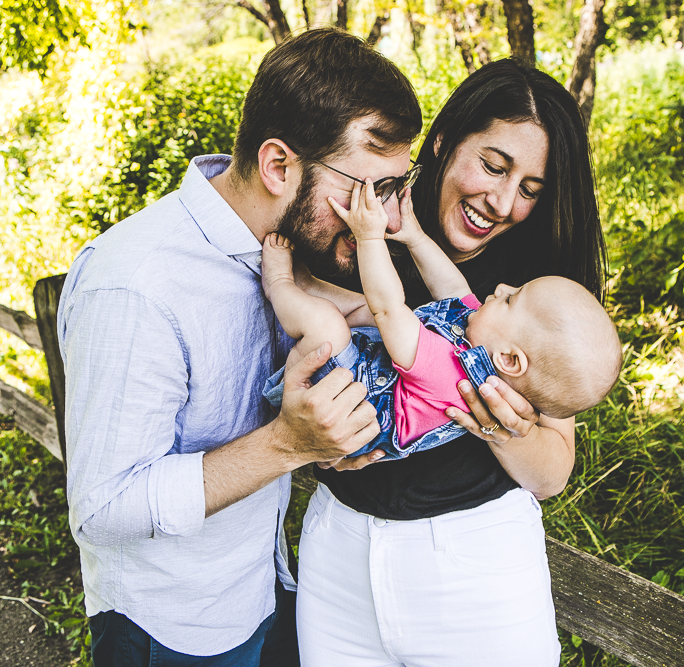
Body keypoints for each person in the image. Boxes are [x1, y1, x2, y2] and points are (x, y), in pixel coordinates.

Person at [56, 28, 421, 666]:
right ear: (279, 166)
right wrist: (288, 445)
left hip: (267, 587)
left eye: (393, 191)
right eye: (366, 191)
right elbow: (104, 506)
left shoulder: (281, 254)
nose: (384, 220)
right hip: (172, 628)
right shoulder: (136, 285)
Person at [296, 58, 609, 666]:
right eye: (493, 166)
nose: (501, 201)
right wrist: (306, 432)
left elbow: (551, 475)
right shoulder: (361, 226)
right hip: (338, 550)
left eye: (529, 190)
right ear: (442, 141)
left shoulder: (532, 294)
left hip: (474, 565)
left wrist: (496, 422)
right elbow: (293, 326)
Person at [260, 181, 620, 461]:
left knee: (328, 325)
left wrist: (370, 235)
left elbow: (389, 308)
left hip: (343, 406)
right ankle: (305, 286)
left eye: (512, 298)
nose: (501, 287)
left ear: (510, 360)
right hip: (365, 369)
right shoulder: (482, 339)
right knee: (357, 311)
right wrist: (414, 237)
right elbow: (451, 286)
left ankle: (280, 284)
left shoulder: (451, 375)